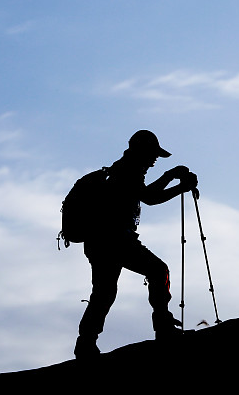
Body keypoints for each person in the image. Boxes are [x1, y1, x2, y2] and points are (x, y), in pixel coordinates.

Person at [74, 130, 199, 359]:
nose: (154, 160)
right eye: (153, 154)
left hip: (100, 242)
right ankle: (163, 329)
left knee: (104, 293)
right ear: (142, 151)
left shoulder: (123, 169)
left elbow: (144, 194)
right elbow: (150, 198)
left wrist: (170, 176)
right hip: (115, 240)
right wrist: (178, 184)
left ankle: (85, 343)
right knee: (157, 270)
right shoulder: (127, 170)